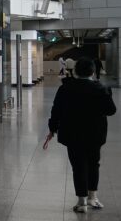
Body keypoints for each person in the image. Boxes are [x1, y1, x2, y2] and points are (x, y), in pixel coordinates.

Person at [45, 58, 116, 212]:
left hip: (72, 134)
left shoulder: (65, 88)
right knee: (93, 164)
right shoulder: (100, 89)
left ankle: (81, 202)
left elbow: (56, 110)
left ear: (75, 72)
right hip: (95, 134)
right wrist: (106, 93)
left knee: (78, 167)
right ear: (93, 72)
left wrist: (52, 129)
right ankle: (93, 198)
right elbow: (111, 110)